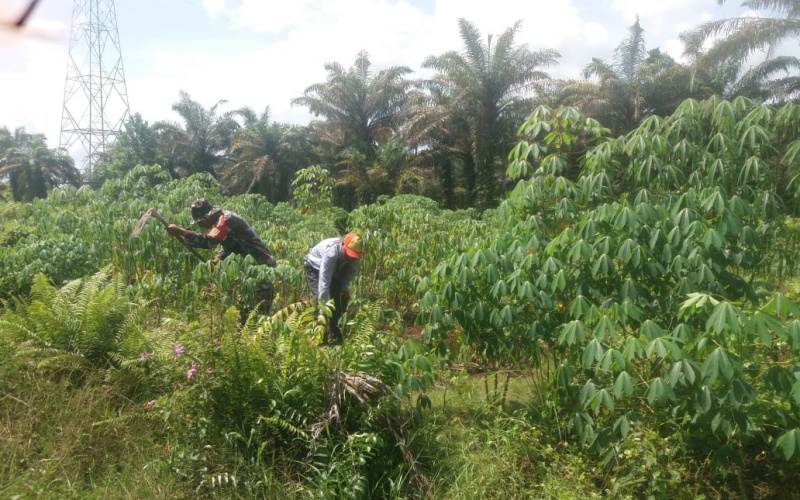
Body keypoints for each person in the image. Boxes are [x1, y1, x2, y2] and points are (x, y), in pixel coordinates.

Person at [166, 199, 277, 315]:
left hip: (261, 267)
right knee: (246, 312)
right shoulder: (222, 221)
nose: (200, 225)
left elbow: (208, 242)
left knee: (259, 312)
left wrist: (181, 232)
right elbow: (231, 246)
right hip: (249, 271)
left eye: (200, 221)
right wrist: (218, 258)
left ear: (209, 216)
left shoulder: (225, 220)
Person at [303, 233, 362, 344]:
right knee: (318, 300)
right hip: (314, 267)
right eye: (348, 254)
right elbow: (324, 282)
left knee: (338, 300)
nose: (350, 257)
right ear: (343, 245)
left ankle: (336, 335)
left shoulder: (355, 257)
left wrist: (343, 290)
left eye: (352, 256)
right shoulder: (331, 253)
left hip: (335, 270)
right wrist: (322, 309)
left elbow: (349, 275)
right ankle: (319, 338)